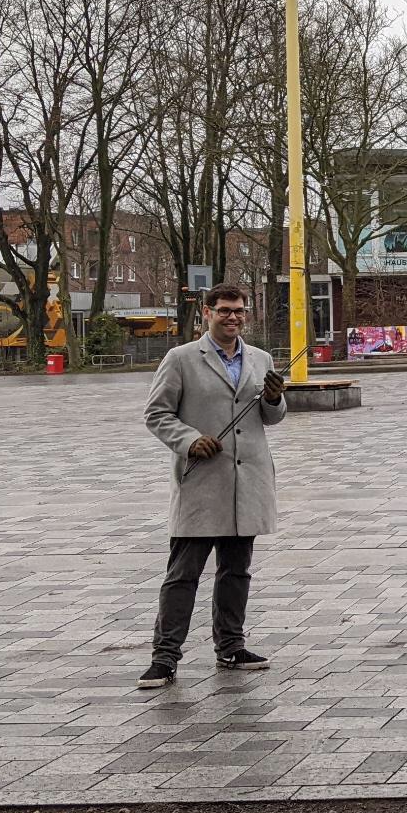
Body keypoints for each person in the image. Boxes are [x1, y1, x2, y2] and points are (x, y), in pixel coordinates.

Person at [137, 282, 286, 688]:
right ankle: (165, 657)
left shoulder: (259, 359)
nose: (232, 317)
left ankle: (231, 647)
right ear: (207, 313)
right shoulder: (181, 358)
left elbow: (271, 418)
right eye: (224, 310)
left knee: (237, 571)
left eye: (238, 310)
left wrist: (275, 399)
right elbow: (156, 414)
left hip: (247, 481)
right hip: (202, 481)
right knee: (183, 574)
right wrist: (189, 441)